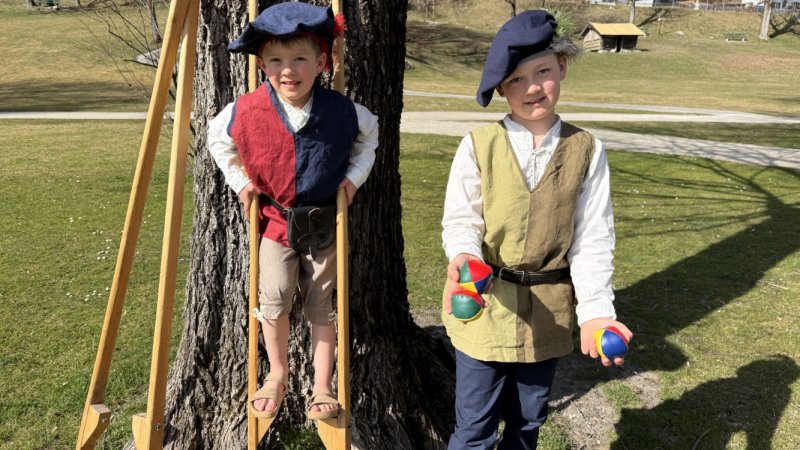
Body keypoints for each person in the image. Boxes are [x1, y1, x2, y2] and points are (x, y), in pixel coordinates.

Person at [441, 10, 632, 449]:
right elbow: (461, 220)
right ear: (501, 89)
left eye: (542, 72)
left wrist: (597, 312)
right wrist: (465, 257)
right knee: (474, 429)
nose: (531, 88)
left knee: (527, 426)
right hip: (485, 305)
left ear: (561, 67)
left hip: (549, 313)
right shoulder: (477, 146)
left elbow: (593, 239)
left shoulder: (587, 148)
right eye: (516, 80)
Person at [207, 2, 378, 421]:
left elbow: (369, 138)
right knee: (274, 298)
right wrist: (242, 184)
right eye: (277, 60)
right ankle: (277, 374)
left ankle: (322, 384)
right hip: (274, 222)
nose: (289, 70)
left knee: (322, 303)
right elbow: (217, 141)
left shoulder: (345, 112)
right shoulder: (243, 111)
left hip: (324, 221)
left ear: (321, 62)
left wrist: (353, 178)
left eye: (300, 58)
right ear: (262, 64)